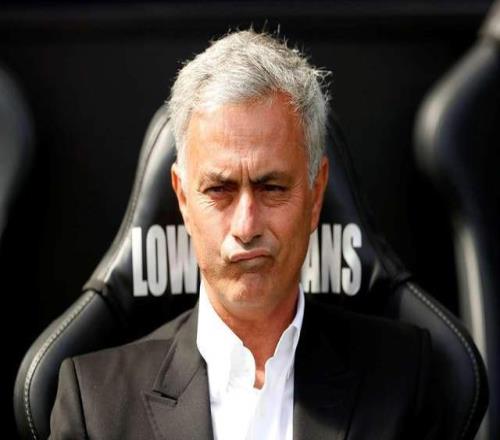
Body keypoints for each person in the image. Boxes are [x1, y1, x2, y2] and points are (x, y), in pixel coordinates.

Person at [49, 30, 439, 439]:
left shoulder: (403, 380)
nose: (246, 227)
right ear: (183, 198)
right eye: (220, 190)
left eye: (272, 187)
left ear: (316, 194)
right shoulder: (96, 405)